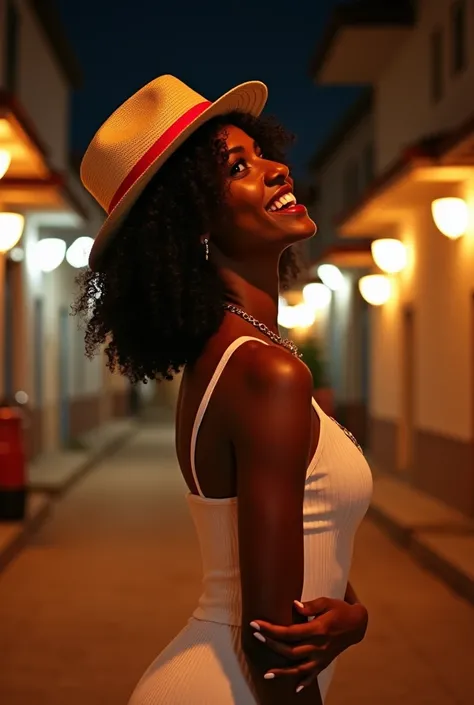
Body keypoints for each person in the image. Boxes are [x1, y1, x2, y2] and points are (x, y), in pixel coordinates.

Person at [74, 75, 373, 705]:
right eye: (240, 166)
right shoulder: (263, 371)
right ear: (193, 224)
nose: (278, 170)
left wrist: (353, 614)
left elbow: (301, 544)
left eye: (262, 152)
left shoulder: (241, 354)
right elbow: (272, 643)